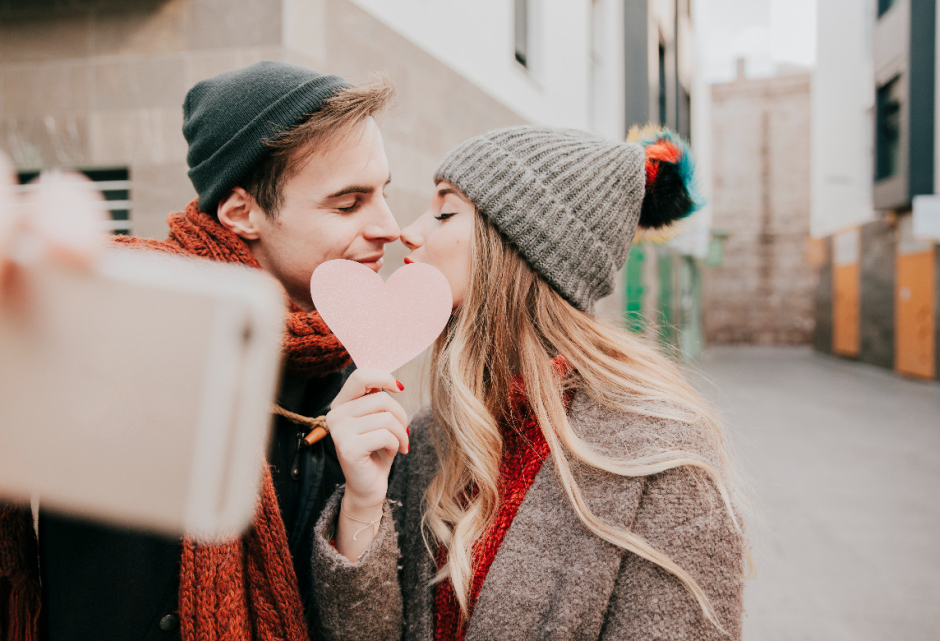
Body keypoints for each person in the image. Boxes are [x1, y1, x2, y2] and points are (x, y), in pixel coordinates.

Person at [0, 61, 400, 641]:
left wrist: (362, 504)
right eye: (349, 204)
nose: (390, 226)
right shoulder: (112, 320)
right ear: (241, 212)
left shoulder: (343, 361)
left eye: (384, 193)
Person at [311, 126, 748, 640]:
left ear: (520, 248)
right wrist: (363, 504)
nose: (408, 232)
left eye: (445, 212)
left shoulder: (659, 460)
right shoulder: (427, 437)